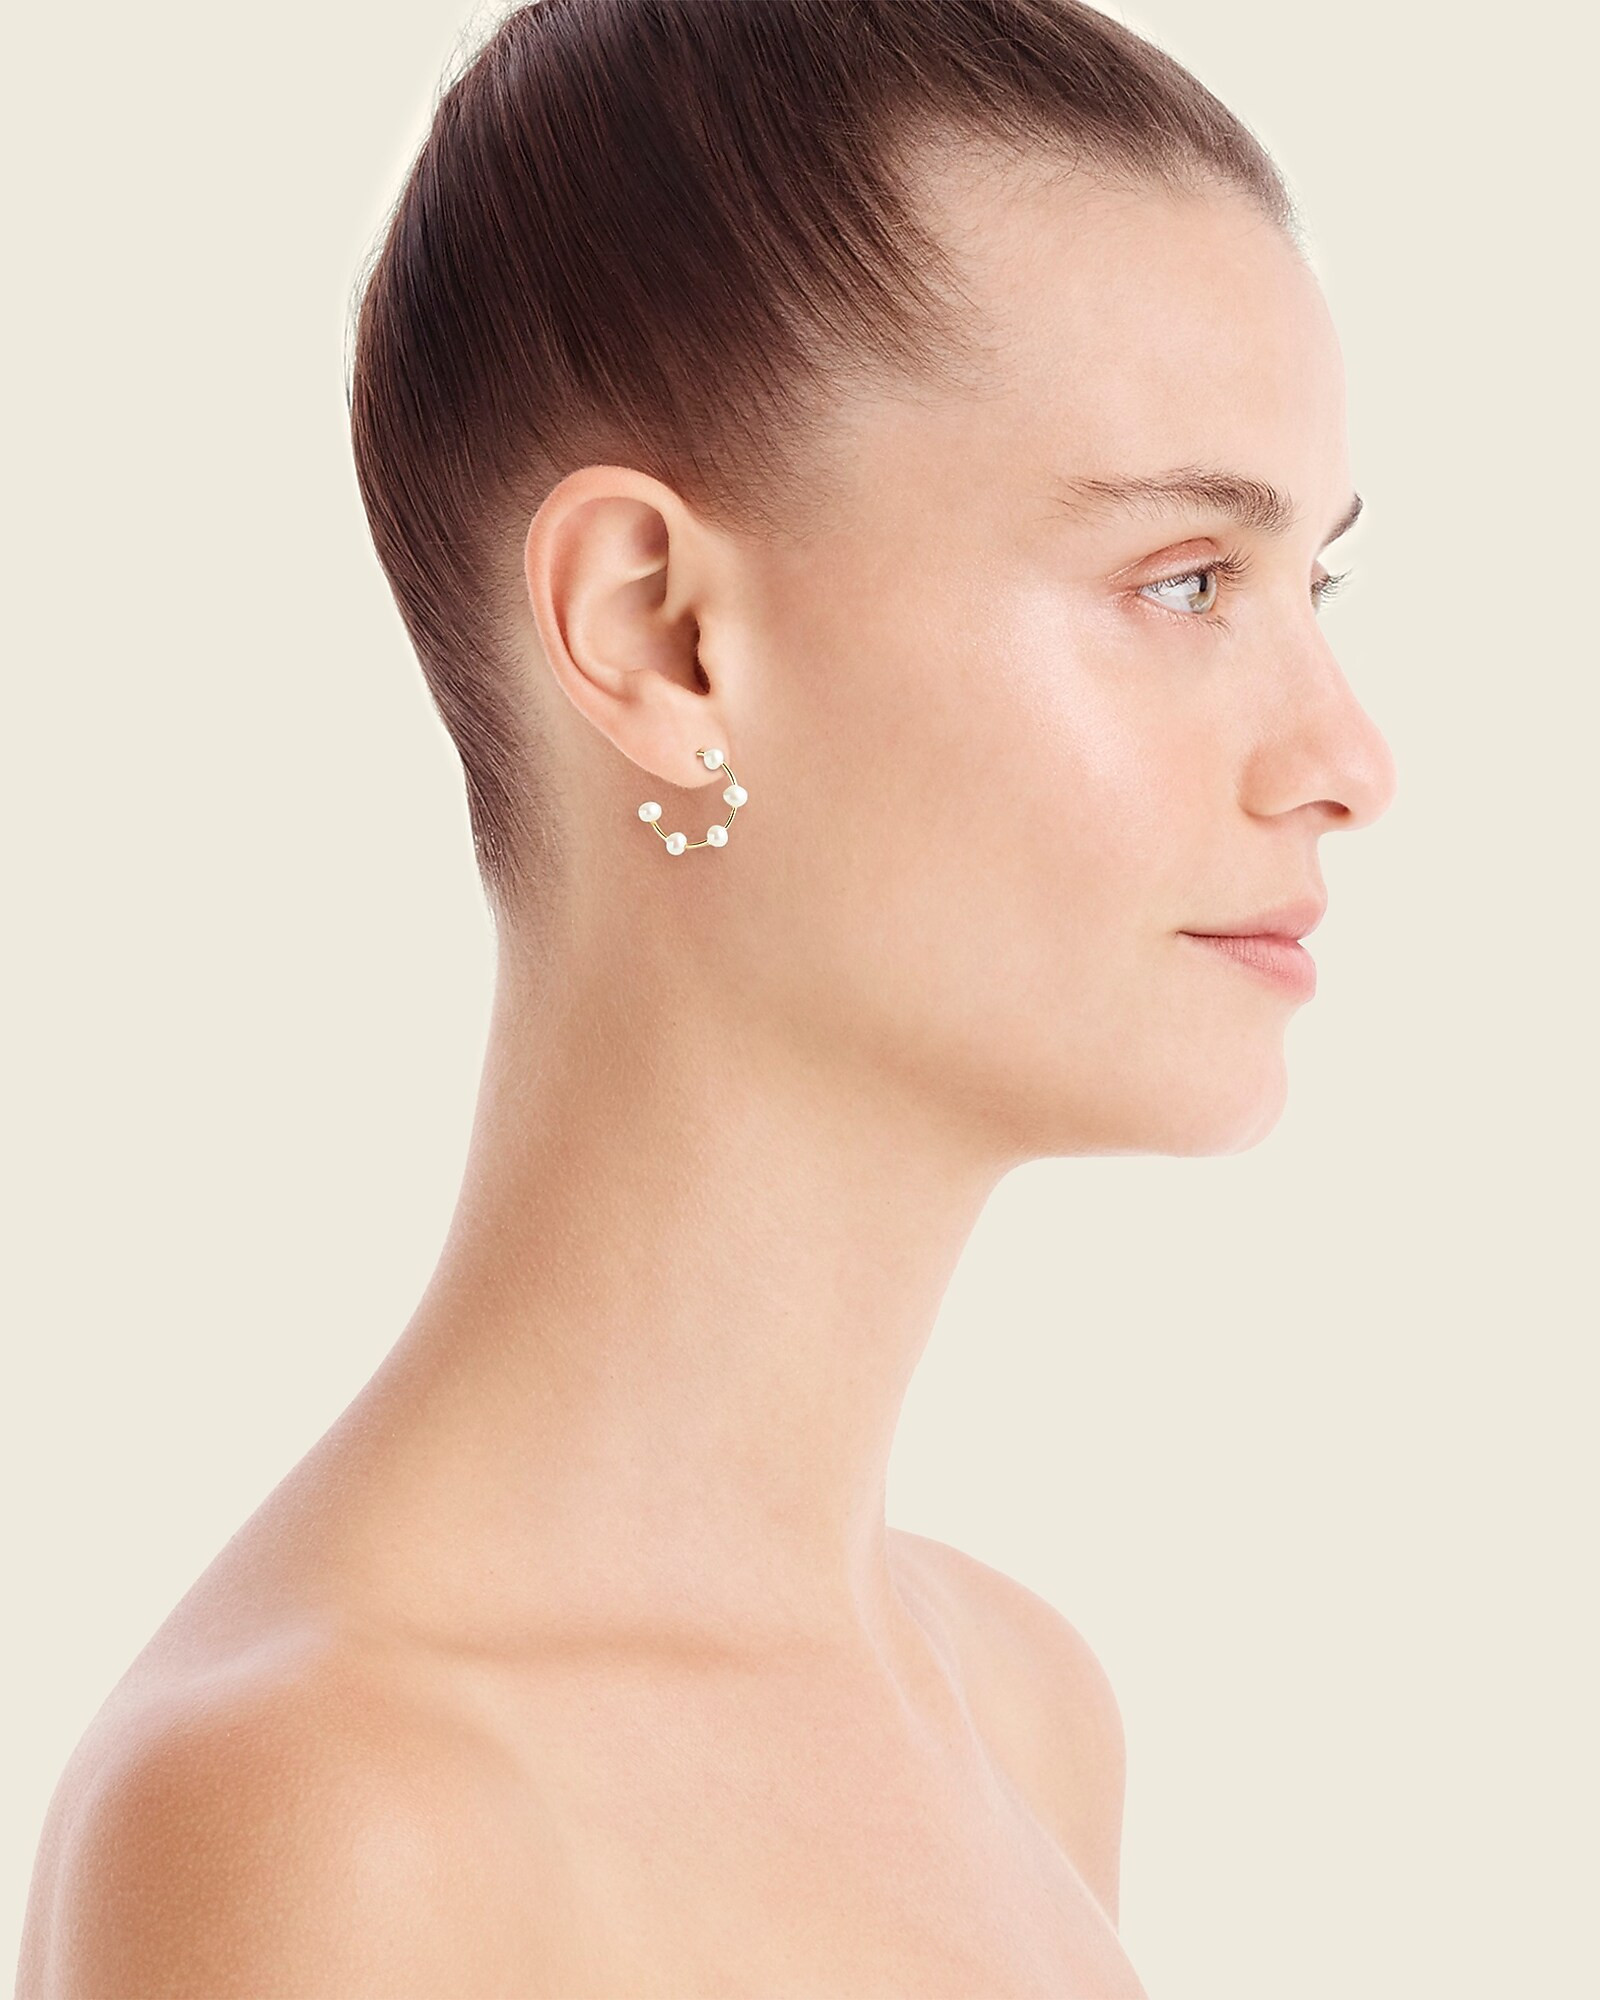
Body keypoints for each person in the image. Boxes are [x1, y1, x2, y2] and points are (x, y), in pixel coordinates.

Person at [16, 1, 1395, 1993]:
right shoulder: (338, 1818)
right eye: (1182, 580)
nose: (1347, 759)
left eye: (1310, 588)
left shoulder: (1020, 1711)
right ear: (656, 635)